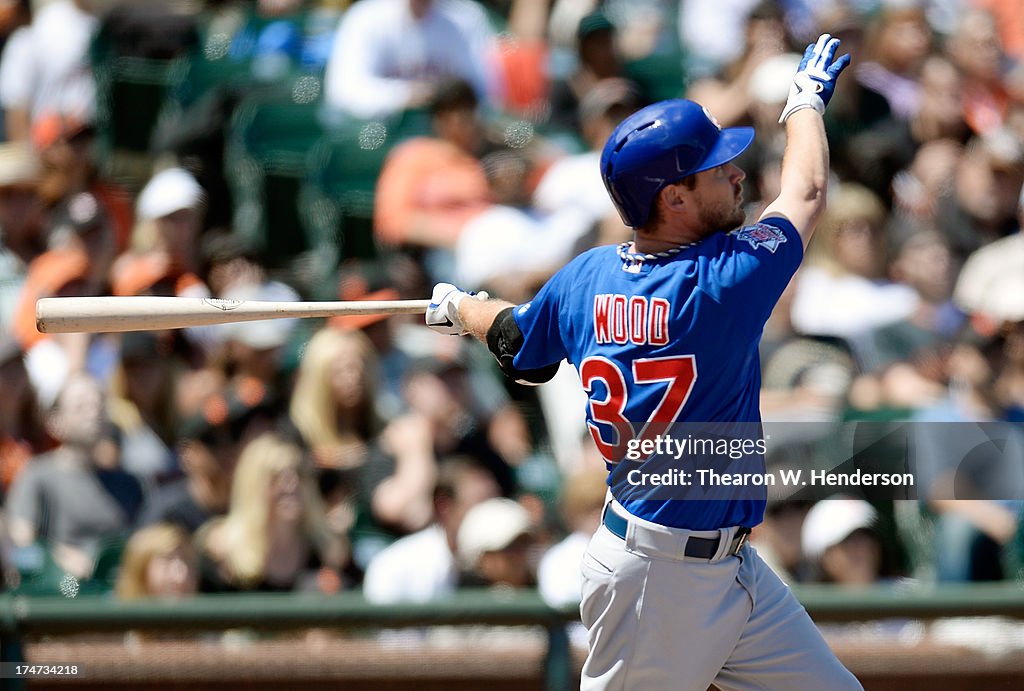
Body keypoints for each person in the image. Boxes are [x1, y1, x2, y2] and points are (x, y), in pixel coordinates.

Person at [425, 33, 861, 690]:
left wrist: (462, 309)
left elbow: (517, 340)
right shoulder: (719, 281)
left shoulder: (587, 275)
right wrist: (804, 103)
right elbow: (806, 190)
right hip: (658, 576)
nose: (737, 173)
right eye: (718, 170)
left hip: (728, 564)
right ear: (673, 199)